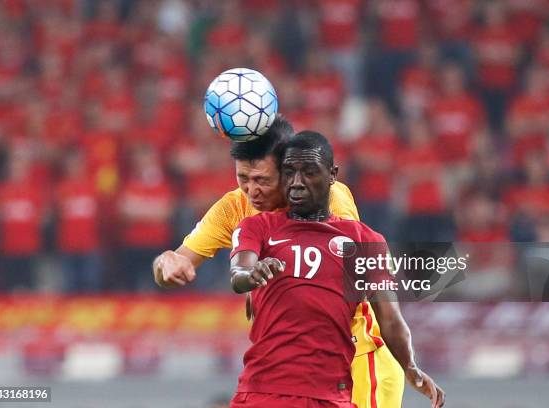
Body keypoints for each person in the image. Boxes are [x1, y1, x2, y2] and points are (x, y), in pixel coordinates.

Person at [153, 115, 433, 407]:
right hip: (295, 376)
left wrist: (262, 282)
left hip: (359, 358)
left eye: (262, 180)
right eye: (243, 179)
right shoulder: (233, 209)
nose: (251, 191)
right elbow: (177, 262)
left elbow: (344, 270)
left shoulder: (330, 197)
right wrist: (167, 264)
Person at [228, 131, 444, 407]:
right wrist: (252, 275)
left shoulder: (365, 240)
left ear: (332, 174)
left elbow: (389, 318)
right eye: (289, 172)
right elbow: (238, 274)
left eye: (308, 172)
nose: (296, 182)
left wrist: (410, 368)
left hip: (331, 396)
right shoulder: (258, 227)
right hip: (263, 393)